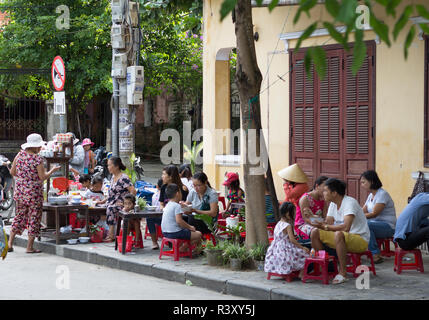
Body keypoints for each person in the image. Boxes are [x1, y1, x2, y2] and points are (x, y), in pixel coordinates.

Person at [7, 133, 61, 253]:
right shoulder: (37, 159)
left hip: (20, 192)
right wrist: (52, 170)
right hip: (34, 193)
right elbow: (42, 177)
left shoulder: (19, 155)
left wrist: (23, 178)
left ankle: (10, 243)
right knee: (34, 217)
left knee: (19, 216)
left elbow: (12, 172)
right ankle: (29, 247)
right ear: (35, 147)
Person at [310, 178, 370, 284]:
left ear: (334, 193)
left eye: (325, 191)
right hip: (343, 237)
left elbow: (346, 227)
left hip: (360, 239)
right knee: (315, 232)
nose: (323, 193)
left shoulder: (349, 202)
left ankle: (343, 273)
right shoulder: (333, 203)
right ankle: (327, 267)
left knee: (339, 234)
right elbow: (328, 223)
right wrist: (313, 218)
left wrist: (326, 227)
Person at [146, 165, 188, 249]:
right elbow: (161, 203)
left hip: (179, 217)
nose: (162, 176)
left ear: (170, 176)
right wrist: (163, 208)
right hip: (166, 216)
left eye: (164, 174)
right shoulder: (164, 187)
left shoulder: (182, 188)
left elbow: (186, 204)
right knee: (149, 218)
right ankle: (154, 242)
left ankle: (180, 243)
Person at [95, 157, 136, 242]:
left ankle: (111, 235)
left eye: (110, 165)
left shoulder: (123, 178)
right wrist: (102, 201)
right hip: (111, 202)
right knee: (96, 207)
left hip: (120, 205)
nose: (108, 167)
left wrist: (127, 204)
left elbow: (133, 191)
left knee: (111, 209)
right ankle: (97, 232)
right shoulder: (113, 177)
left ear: (116, 166)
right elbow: (112, 194)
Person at [264, 202, 310, 278]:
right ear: (288, 214)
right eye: (293, 213)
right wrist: (302, 247)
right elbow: (292, 240)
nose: (294, 215)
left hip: (275, 249)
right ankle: (301, 273)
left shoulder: (278, 223)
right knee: (305, 254)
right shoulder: (287, 225)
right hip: (285, 250)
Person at [360, 170, 397, 264]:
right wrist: (353, 215)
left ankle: (375, 254)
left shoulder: (382, 194)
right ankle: (367, 251)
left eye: (363, 182)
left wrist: (359, 218)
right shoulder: (370, 196)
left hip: (388, 227)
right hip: (375, 225)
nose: (362, 185)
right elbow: (362, 210)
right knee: (363, 226)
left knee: (366, 225)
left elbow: (374, 214)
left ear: (371, 181)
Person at [161, 183, 202, 252]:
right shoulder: (176, 206)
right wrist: (190, 227)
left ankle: (182, 249)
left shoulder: (168, 204)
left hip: (165, 232)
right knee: (198, 234)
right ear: (177, 193)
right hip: (175, 232)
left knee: (187, 232)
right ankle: (182, 249)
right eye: (180, 192)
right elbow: (179, 221)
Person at [295, 176, 329, 240]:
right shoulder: (305, 198)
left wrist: (325, 224)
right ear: (317, 186)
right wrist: (322, 225)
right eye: (324, 187)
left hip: (318, 223)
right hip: (303, 225)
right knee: (316, 231)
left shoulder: (323, 200)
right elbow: (306, 219)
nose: (326, 190)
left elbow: (325, 216)